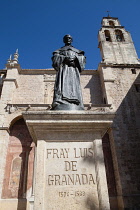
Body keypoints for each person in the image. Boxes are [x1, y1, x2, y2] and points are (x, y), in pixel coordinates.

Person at [51, 34, 86, 110]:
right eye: (66, 38)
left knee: (74, 85)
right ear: (64, 40)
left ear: (72, 40)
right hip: (64, 70)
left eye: (70, 38)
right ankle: (61, 100)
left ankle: (75, 101)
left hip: (73, 70)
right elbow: (55, 59)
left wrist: (76, 58)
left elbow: (83, 58)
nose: (68, 39)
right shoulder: (59, 50)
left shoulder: (77, 51)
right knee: (62, 84)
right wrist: (64, 58)